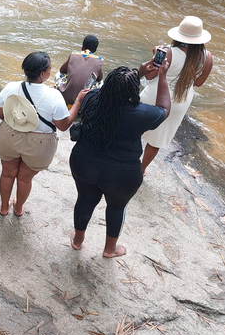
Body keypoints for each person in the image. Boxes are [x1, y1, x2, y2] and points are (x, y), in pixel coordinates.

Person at [69, 63, 171, 258]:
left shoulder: (91, 98)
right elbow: (164, 109)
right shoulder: (142, 113)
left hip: (85, 163)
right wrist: (162, 77)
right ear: (134, 90)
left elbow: (109, 88)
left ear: (107, 85)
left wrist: (138, 72)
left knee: (84, 200)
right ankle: (109, 249)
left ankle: (77, 241)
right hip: (122, 175)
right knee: (116, 207)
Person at [0, 52, 88, 216]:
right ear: (43, 73)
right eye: (50, 68)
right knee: (25, 179)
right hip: (39, 144)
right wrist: (78, 101)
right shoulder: (53, 96)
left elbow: (0, 113)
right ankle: (18, 209)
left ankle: (3, 208)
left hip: (10, 136)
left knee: (7, 173)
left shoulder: (11, 87)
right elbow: (63, 125)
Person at [139, 16, 213, 175]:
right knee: (157, 140)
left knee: (134, 128)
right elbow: (198, 83)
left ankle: (125, 158)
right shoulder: (207, 57)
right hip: (180, 102)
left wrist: (155, 55)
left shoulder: (165, 52)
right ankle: (141, 169)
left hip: (155, 95)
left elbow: (149, 76)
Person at [55, 35, 103, 108]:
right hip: (84, 100)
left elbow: (62, 70)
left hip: (65, 97)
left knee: (59, 74)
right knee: (100, 83)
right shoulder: (99, 60)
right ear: (95, 49)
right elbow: (99, 79)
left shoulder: (74, 54)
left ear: (82, 47)